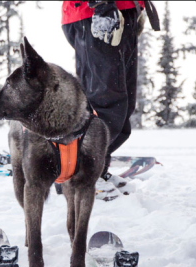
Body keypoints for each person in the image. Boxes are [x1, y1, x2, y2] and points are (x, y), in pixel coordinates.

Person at [61, 1, 158, 188]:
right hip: (95, 11)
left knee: (122, 107)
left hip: (122, 11)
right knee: (105, 105)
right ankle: (78, 177)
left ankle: (93, 172)